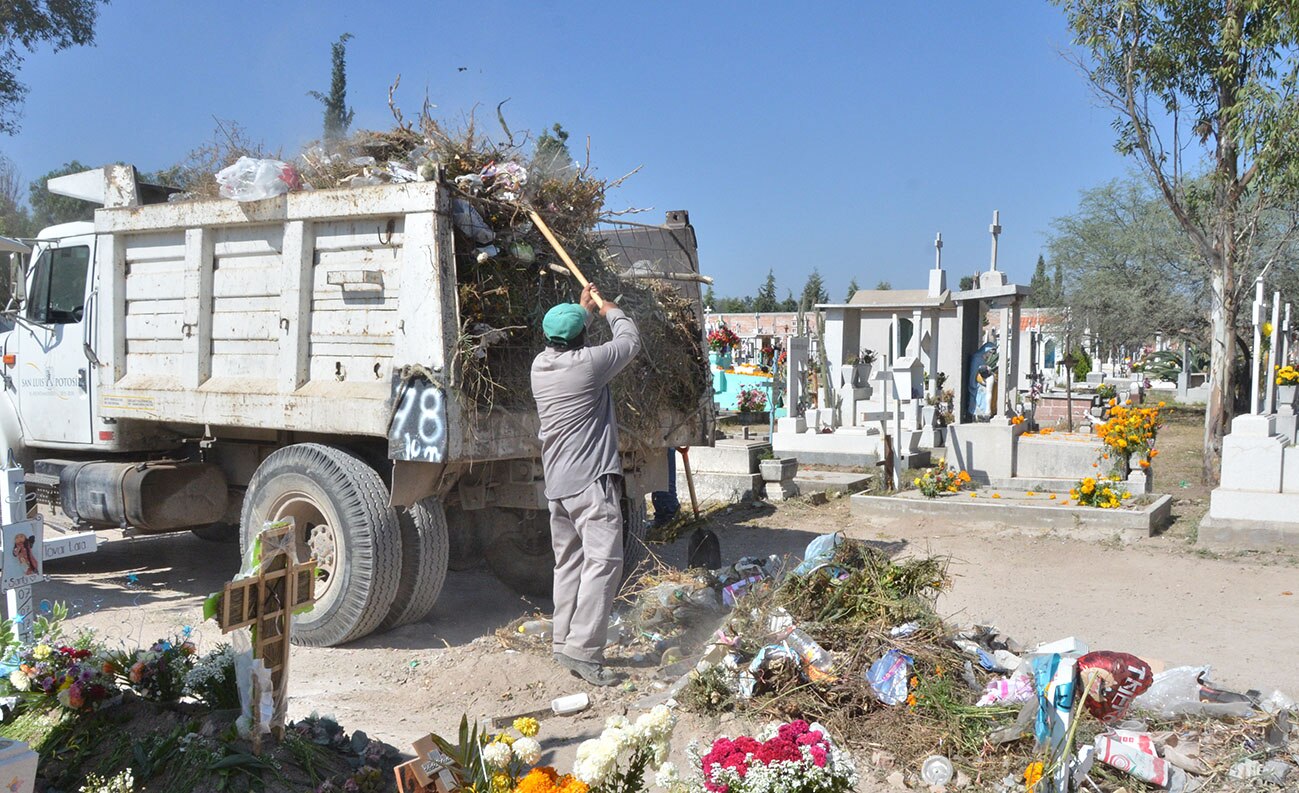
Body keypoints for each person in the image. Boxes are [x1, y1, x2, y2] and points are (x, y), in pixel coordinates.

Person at [531, 283, 641, 686]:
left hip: (558, 484)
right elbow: (629, 341)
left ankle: (563, 642)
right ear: (580, 338)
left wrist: (583, 313)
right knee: (604, 563)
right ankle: (584, 651)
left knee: (570, 563)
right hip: (591, 482)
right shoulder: (589, 366)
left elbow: (572, 339)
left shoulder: (540, 366)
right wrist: (609, 308)